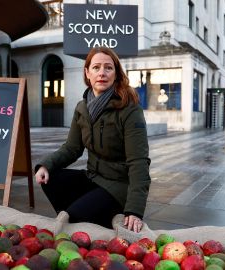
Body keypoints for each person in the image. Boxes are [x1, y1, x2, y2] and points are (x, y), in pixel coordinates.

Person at [34, 46, 151, 233]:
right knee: (51, 178)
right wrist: (46, 165)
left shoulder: (129, 108)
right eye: (96, 68)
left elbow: (139, 162)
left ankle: (95, 215)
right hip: (94, 178)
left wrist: (135, 210)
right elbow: (72, 148)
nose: (102, 73)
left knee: (72, 220)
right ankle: (91, 215)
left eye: (108, 68)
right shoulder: (83, 107)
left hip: (119, 186)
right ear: (87, 73)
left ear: (116, 73)